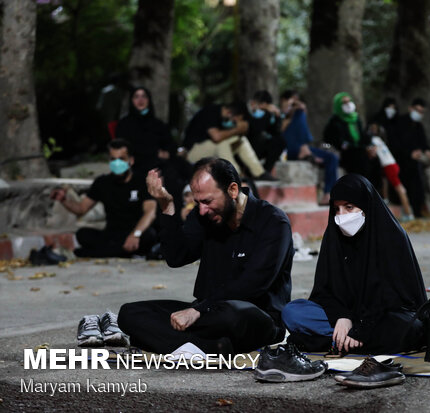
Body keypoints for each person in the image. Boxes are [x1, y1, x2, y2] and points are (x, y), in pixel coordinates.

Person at [118, 157, 294, 357]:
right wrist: (166, 207)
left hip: (253, 316)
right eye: (198, 202)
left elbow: (254, 284)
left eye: (208, 201)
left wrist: (200, 310)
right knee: (129, 314)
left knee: (232, 315)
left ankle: (174, 343)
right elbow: (176, 257)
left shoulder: (273, 222)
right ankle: (211, 347)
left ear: (233, 190)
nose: (202, 209)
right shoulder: (204, 216)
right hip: (206, 314)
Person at [282, 174, 427, 356]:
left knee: (409, 327)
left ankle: (334, 341)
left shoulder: (391, 236)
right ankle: (351, 341)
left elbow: (398, 299)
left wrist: (362, 328)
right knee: (293, 311)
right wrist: (343, 316)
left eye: (349, 207)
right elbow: (324, 291)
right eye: (337, 209)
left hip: (381, 317)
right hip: (344, 317)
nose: (342, 216)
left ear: (365, 206)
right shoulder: (333, 237)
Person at [50, 139, 157, 258]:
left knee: (149, 236)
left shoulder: (142, 182)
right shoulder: (102, 183)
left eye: (121, 159)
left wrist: (135, 235)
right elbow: (81, 208)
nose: (117, 163)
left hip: (136, 232)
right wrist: (63, 200)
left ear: (130, 161)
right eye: (113, 159)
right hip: (111, 234)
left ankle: (93, 253)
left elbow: (150, 212)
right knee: (83, 234)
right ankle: (122, 253)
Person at [182, 102, 276, 181]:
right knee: (222, 143)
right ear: (230, 113)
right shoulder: (211, 112)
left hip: (211, 150)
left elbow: (228, 136)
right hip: (192, 152)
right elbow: (216, 137)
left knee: (241, 140)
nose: (234, 123)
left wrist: (241, 131)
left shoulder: (224, 117)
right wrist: (237, 129)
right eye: (235, 120)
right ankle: (236, 175)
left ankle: (260, 173)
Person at [280, 90, 339, 205]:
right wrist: (288, 111)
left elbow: (303, 109)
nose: (294, 104)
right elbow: (279, 131)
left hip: (302, 147)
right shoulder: (280, 114)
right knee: (300, 114)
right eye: (291, 101)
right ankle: (305, 149)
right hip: (288, 149)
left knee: (332, 158)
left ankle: (328, 194)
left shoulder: (299, 113)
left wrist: (298, 107)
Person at [393, 98, 430, 215]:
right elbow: (396, 145)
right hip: (406, 157)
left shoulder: (419, 126)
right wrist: (410, 153)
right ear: (410, 108)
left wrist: (429, 152)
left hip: (420, 156)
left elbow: (423, 145)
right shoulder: (400, 123)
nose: (419, 114)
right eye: (417, 110)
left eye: (422, 112)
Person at [323, 92, 381, 190]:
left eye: (349, 101)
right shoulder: (335, 122)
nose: (348, 104)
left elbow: (363, 136)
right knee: (361, 159)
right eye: (344, 103)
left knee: (375, 160)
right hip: (345, 152)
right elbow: (340, 143)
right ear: (338, 106)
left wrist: (370, 146)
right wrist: (363, 149)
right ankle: (361, 192)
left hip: (359, 150)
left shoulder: (356, 119)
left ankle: (374, 193)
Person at [115, 87, 176, 177]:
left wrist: (167, 153)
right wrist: (154, 152)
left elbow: (169, 143)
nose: (141, 100)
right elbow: (124, 147)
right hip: (136, 163)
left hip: (160, 163)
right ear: (131, 101)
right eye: (136, 97)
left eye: (144, 96)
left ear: (149, 100)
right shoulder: (124, 124)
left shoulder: (158, 124)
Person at [247, 90, 287, 174]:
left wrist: (277, 117)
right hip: (248, 146)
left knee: (279, 141)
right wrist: (267, 113)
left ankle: (265, 171)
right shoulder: (248, 111)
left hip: (261, 148)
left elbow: (276, 132)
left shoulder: (268, 115)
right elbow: (257, 129)